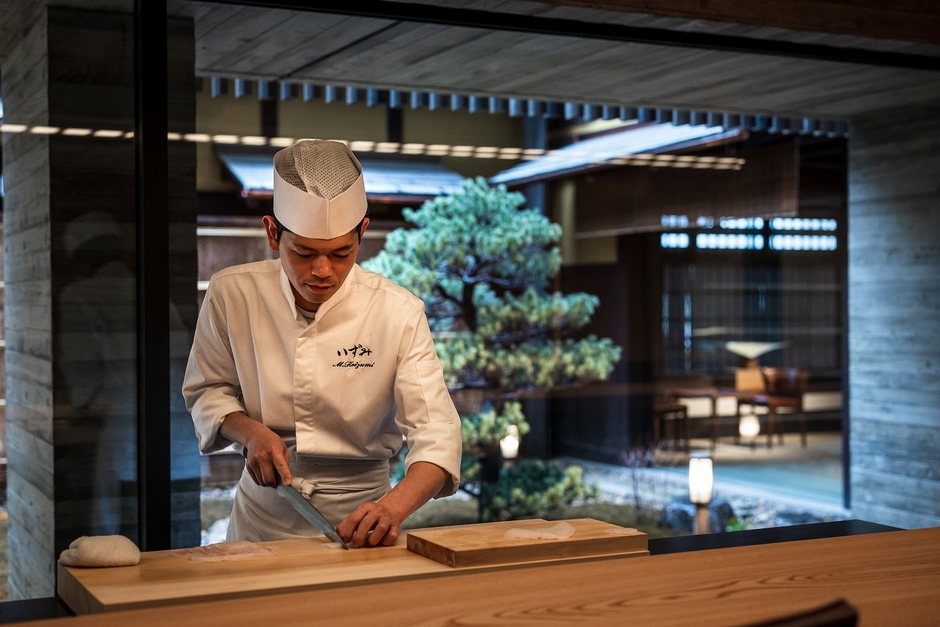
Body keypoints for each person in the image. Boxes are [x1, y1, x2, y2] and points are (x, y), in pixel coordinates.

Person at [183, 139, 461, 548]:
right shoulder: (232, 293)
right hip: (262, 514)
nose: (322, 272)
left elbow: (437, 431)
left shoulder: (398, 311)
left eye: (341, 253)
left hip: (364, 519)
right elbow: (208, 390)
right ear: (273, 233)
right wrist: (250, 433)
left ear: (363, 233)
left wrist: (393, 507)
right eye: (304, 253)